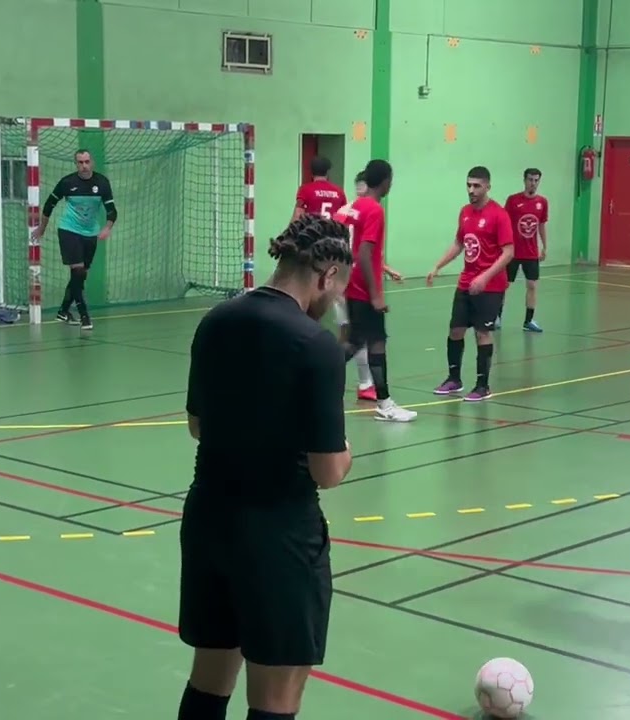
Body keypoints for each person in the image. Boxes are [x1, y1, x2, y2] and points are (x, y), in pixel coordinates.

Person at [178, 214, 355, 719]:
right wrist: (345, 451)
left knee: (208, 682)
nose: (335, 301)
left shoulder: (216, 319)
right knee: (276, 699)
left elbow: (197, 424)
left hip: (209, 523)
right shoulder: (315, 345)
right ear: (326, 275)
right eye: (338, 289)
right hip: (279, 537)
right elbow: (329, 470)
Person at [333, 160, 416, 422]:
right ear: (385, 181)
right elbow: (365, 253)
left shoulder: (355, 207)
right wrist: (376, 294)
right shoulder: (375, 210)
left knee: (369, 341)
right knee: (359, 343)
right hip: (363, 287)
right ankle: (383, 404)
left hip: (350, 282)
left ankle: (384, 401)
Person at [425, 166, 515, 402]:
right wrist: (438, 266)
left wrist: (485, 277)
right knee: (455, 330)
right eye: (469, 185)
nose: (471, 190)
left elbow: (508, 252)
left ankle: (483, 385)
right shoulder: (465, 212)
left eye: (476, 186)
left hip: (491, 286)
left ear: (487, 186)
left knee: (482, 333)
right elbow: (459, 243)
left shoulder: (499, 215)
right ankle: (454, 378)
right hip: (466, 282)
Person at [31, 149, 116, 331]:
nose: (84, 166)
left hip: (90, 233)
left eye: (86, 161)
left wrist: (107, 228)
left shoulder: (102, 183)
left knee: (80, 276)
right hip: (69, 230)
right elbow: (49, 205)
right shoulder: (67, 182)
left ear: (91, 162)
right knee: (77, 272)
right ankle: (84, 315)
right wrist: (42, 228)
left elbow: (112, 210)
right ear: (76, 164)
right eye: (80, 162)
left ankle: (63, 311)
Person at [497, 168, 549, 332]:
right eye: (530, 180)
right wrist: (502, 246)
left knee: (532, 285)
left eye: (536, 180)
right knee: (504, 284)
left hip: (531, 252)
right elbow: (504, 224)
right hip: (513, 251)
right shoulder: (513, 200)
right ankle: (496, 317)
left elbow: (541, 225)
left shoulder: (542, 202)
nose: (533, 183)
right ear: (524, 180)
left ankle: (529, 320)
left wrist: (545, 247)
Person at [291, 156, 347, 222]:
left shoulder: (305, 190)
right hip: (332, 230)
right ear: (327, 172)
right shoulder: (339, 191)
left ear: (311, 172)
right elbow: (344, 215)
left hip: (313, 230)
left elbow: (298, 214)